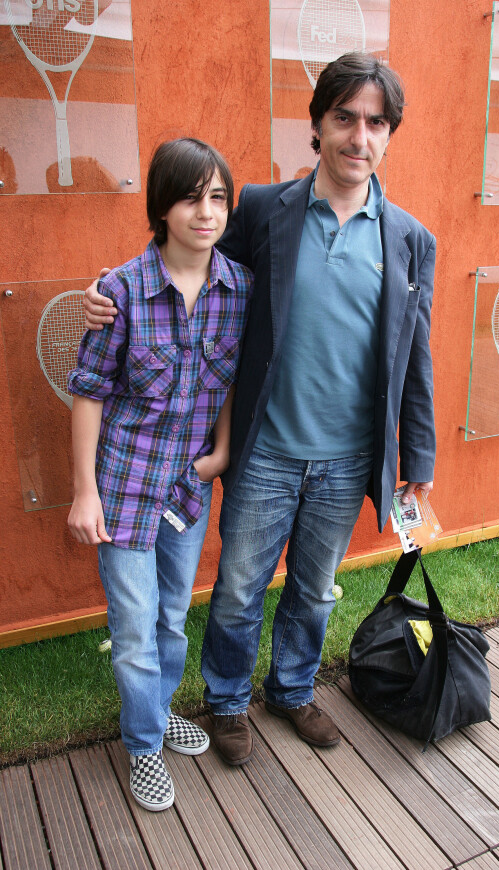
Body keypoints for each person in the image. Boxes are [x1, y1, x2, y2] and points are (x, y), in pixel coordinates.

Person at [82, 52, 436, 768]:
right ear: (316, 124)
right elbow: (190, 260)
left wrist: (417, 464)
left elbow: (414, 358)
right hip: (265, 449)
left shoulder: (410, 240)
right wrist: (110, 290)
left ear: (390, 134)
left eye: (375, 122)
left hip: (348, 458)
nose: (358, 136)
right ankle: (226, 700)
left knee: (314, 590)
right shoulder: (263, 210)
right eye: (344, 117)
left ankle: (294, 688)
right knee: (240, 589)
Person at [68, 138, 253, 807]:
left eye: (217, 198)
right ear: (161, 207)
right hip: (122, 491)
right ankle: (143, 746)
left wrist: (222, 454)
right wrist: (84, 493)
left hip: (186, 488)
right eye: (188, 197)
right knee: (135, 626)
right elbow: (88, 392)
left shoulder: (239, 288)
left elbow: (232, 382)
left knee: (172, 617)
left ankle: (160, 712)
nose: (205, 213)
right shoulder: (119, 292)